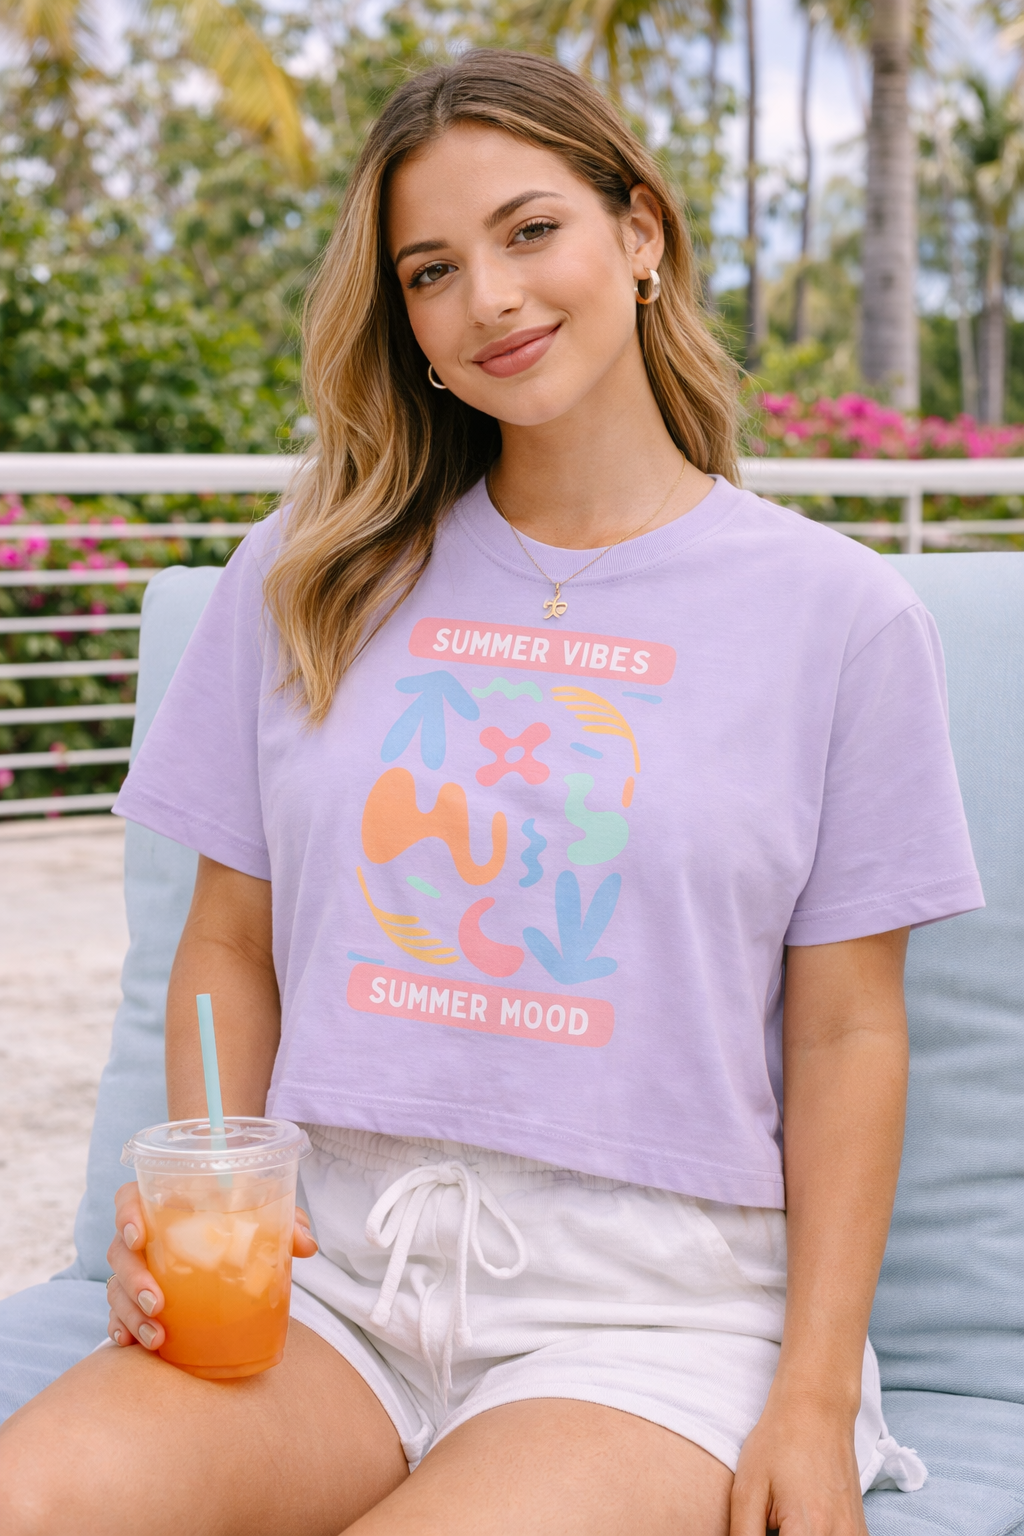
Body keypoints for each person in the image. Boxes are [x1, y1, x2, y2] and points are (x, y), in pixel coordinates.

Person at [0, 49, 983, 1536]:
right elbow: (226, 942)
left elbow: (851, 1027)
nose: (491, 300)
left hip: (647, 1324)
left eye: (533, 232)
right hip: (329, 1279)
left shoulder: (838, 619)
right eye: (432, 269)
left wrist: (816, 1393)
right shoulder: (313, 574)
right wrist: (213, 1208)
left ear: (638, 235)